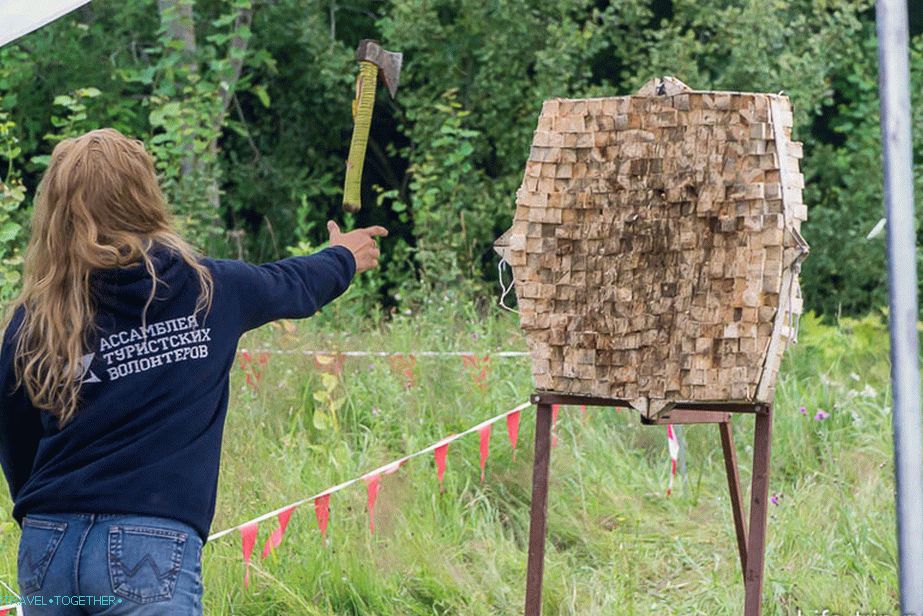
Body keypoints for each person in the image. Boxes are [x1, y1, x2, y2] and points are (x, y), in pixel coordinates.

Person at [0, 128, 386, 614]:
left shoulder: (35, 318)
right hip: (149, 546)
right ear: (144, 197)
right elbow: (293, 283)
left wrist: (44, 509)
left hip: (49, 543)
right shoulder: (208, 291)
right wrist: (344, 257)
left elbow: (14, 439)